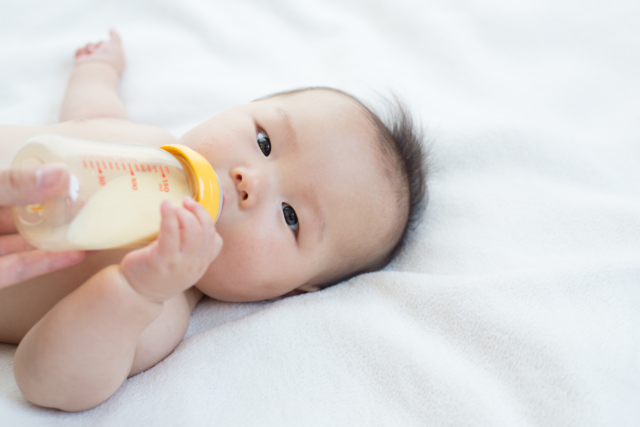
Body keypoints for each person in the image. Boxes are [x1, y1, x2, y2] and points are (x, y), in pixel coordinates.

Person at [0, 29, 427, 411]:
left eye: (290, 216)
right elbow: (92, 115)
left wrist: (133, 291)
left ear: (288, 291)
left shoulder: (161, 309)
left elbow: (45, 381)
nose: (250, 180)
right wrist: (97, 70)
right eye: (264, 141)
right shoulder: (148, 146)